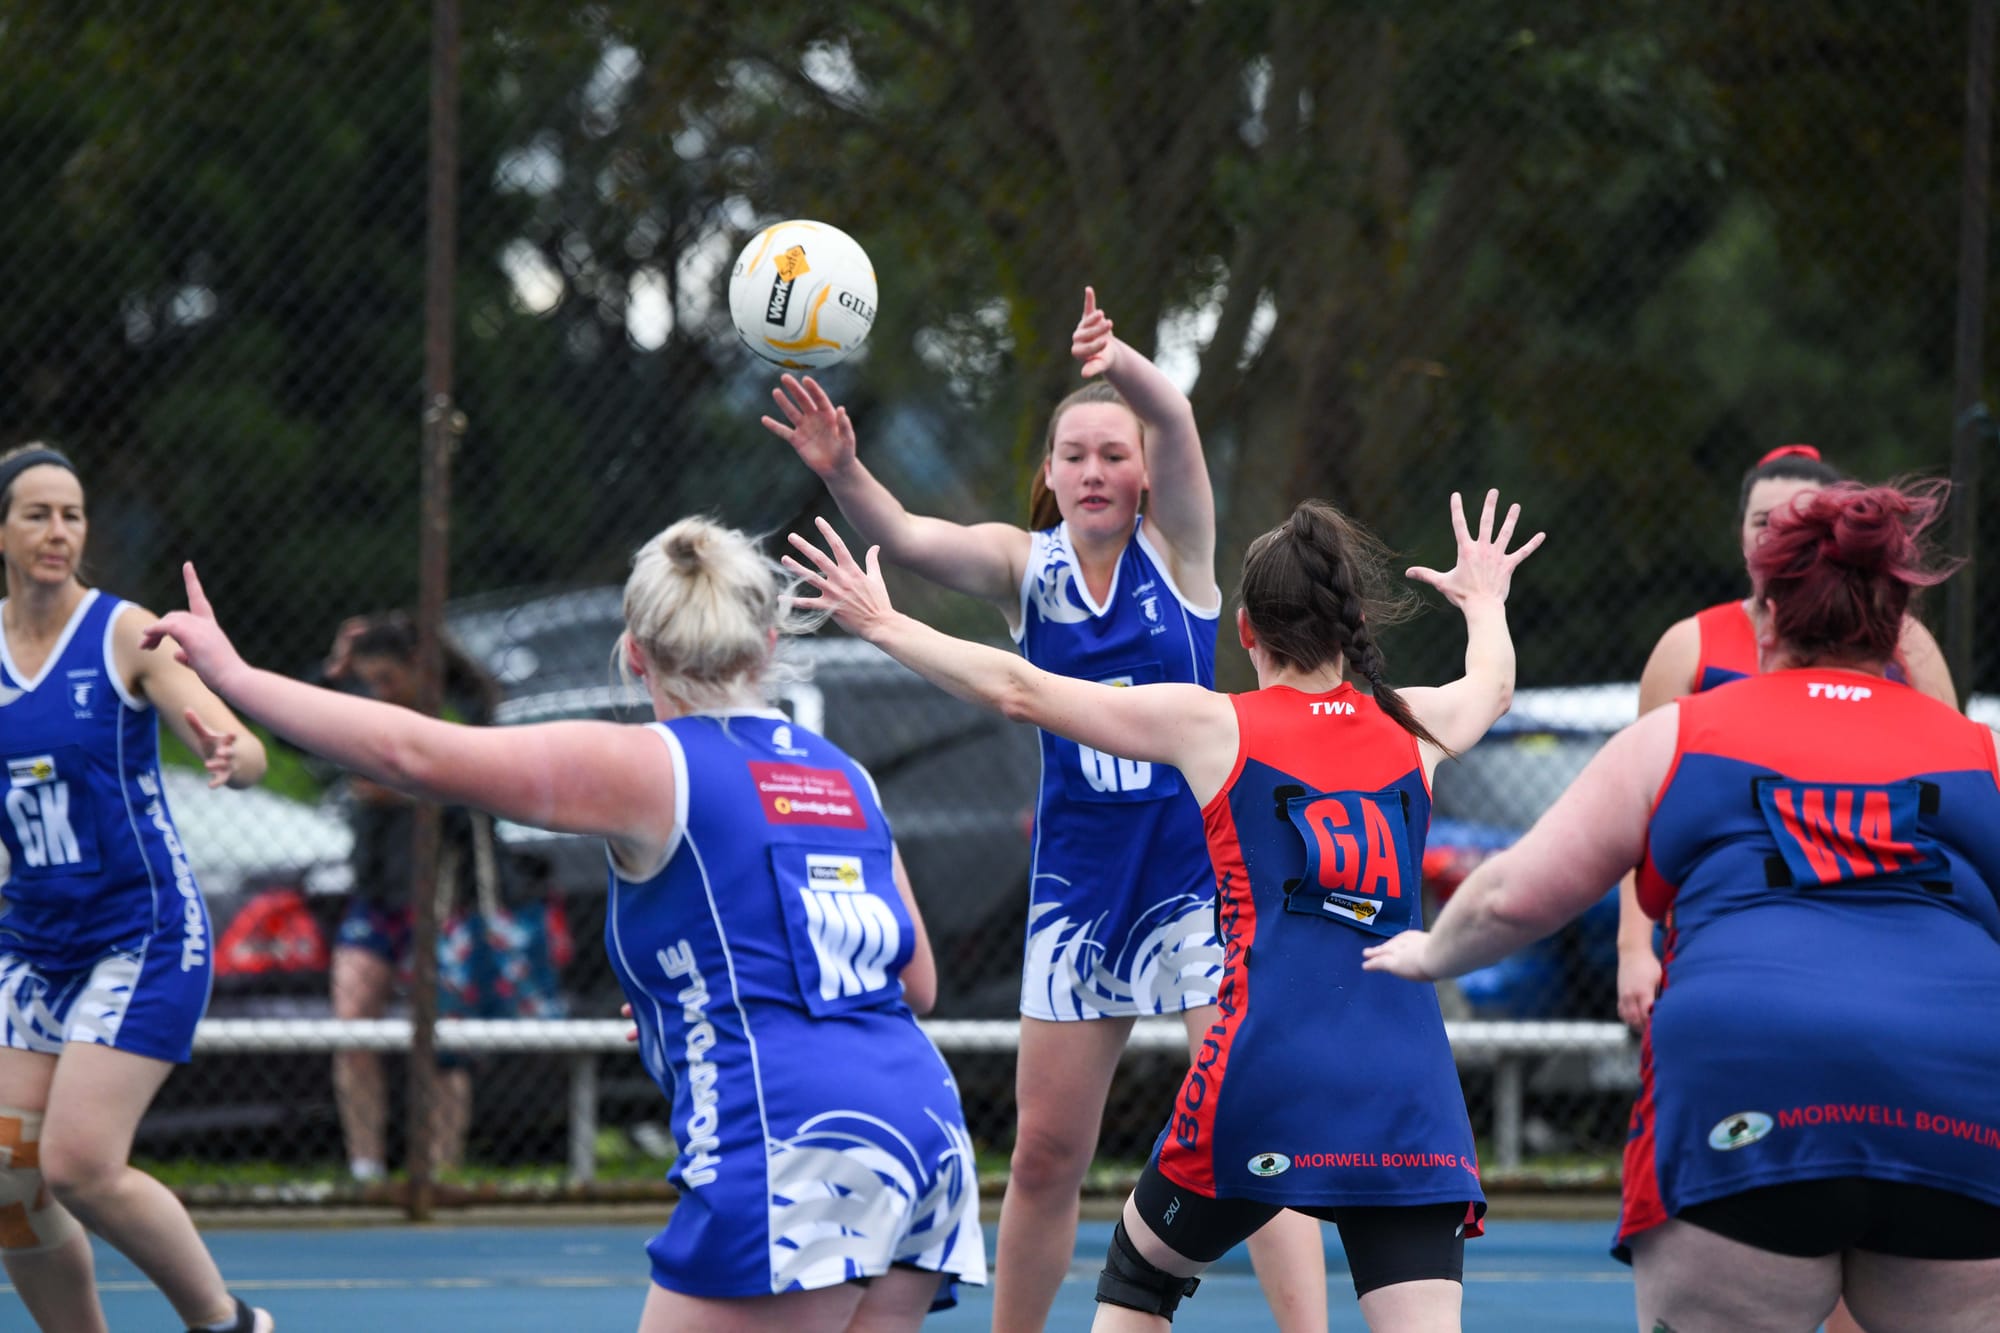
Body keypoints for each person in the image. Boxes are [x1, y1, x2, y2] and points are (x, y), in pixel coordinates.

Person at [145, 515, 984, 1332]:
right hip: (923, 1126)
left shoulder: (655, 765)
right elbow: (916, 980)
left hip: (794, 1131)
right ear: (767, 646)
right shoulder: (845, 776)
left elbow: (418, 755)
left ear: (634, 653)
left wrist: (236, 676)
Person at [786, 488, 1544, 1331]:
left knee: (1141, 1279)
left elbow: (1019, 688)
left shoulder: (1213, 724)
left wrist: (885, 623)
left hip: (1267, 1073)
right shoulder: (1415, 723)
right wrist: (1485, 600)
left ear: (1247, 629)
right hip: (1409, 1090)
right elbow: (1495, 686)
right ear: (1353, 618)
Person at [765, 288, 1327, 1330]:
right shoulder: (1029, 569)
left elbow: (1178, 420)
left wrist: (1119, 366)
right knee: (1043, 1152)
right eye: (1073, 455)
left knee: (1251, 1124)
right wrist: (842, 471)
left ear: (1144, 474)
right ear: (1049, 475)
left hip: (1197, 882)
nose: (1093, 471)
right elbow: (909, 536)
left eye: (1112, 453)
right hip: (1079, 895)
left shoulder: (1180, 556)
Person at [1363, 480, 2000, 1332]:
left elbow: (1517, 894)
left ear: (1765, 617)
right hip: (1955, 1086)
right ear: (1895, 631)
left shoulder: (1688, 731)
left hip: (1748, 1077)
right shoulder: (1975, 752)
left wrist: (1428, 954)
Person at [0, 444, 272, 1333]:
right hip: (37, 941)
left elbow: (240, 736)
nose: (57, 530)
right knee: (8, 1177)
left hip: (141, 933)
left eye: (71, 513)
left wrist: (234, 753)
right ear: (3, 530)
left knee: (77, 1162)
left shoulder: (121, 633)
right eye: (37, 512)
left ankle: (226, 1322)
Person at [1616, 443, 1956, 1031]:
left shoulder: (1907, 644)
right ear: (1740, 534)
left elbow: (1956, 791)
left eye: (1797, 522)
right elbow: (1632, 816)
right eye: (1762, 522)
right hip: (1720, 928)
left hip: (1878, 920)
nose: (1776, 535)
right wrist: (1633, 949)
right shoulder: (1690, 645)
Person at [320, 612, 567, 1184]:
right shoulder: (368, 717)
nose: (378, 691)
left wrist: (407, 786)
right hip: (378, 896)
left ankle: (439, 1170)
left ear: (417, 668)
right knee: (351, 1024)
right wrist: (334, 673)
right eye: (368, 681)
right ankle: (366, 1169)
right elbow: (301, 732)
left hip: (442, 901)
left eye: (387, 678)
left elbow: (474, 794)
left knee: (441, 1040)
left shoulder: (459, 716)